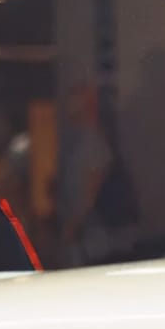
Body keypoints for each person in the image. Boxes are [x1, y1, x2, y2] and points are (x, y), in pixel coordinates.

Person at [55, 80, 114, 266]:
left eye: (74, 101)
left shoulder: (93, 143)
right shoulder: (80, 142)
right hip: (84, 234)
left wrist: (74, 225)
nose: (68, 108)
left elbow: (91, 191)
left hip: (93, 237)